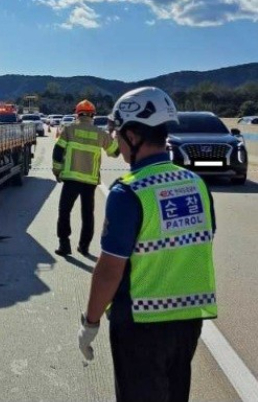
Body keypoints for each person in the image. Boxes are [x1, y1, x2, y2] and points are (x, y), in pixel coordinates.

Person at [78, 87, 217, 402]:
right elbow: (198, 242)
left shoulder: (129, 192)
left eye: (118, 134)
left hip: (140, 323)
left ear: (133, 136)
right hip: (188, 321)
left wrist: (91, 321)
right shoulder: (196, 184)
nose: (117, 144)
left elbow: (109, 270)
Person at [52, 99, 119, 256]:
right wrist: (115, 134)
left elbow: (57, 152)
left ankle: (64, 245)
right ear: (92, 115)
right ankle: (84, 246)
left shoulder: (69, 130)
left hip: (70, 179)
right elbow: (115, 153)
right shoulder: (100, 134)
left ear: (77, 114)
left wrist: (57, 171)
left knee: (64, 211)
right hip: (90, 181)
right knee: (87, 215)